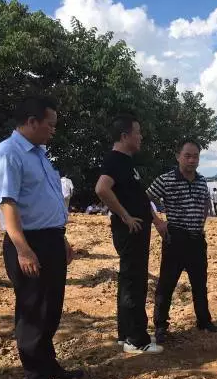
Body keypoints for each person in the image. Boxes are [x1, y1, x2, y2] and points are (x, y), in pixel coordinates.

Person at [0, 95, 81, 379]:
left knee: (51, 306)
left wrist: (61, 238)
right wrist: (23, 248)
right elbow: (8, 203)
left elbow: (46, 201)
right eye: (50, 125)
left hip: (51, 239)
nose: (53, 130)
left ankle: (49, 365)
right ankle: (35, 377)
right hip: (29, 242)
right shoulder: (8, 153)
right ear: (31, 122)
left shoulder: (39, 154)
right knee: (33, 309)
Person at [95, 114, 166, 354]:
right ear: (125, 136)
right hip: (130, 230)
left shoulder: (126, 163)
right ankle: (136, 340)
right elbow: (101, 189)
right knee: (134, 283)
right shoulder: (115, 160)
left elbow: (139, 198)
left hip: (137, 229)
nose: (141, 137)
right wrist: (125, 216)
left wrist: (155, 219)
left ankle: (126, 333)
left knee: (130, 281)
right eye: (138, 132)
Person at [146, 140, 217, 343]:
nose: (191, 160)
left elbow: (205, 202)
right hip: (176, 238)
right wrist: (158, 222)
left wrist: (201, 222)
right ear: (178, 156)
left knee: (200, 283)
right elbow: (145, 199)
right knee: (167, 283)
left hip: (197, 239)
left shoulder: (201, 180)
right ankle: (160, 325)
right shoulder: (166, 179)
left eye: (195, 156)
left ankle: (204, 321)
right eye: (187, 156)